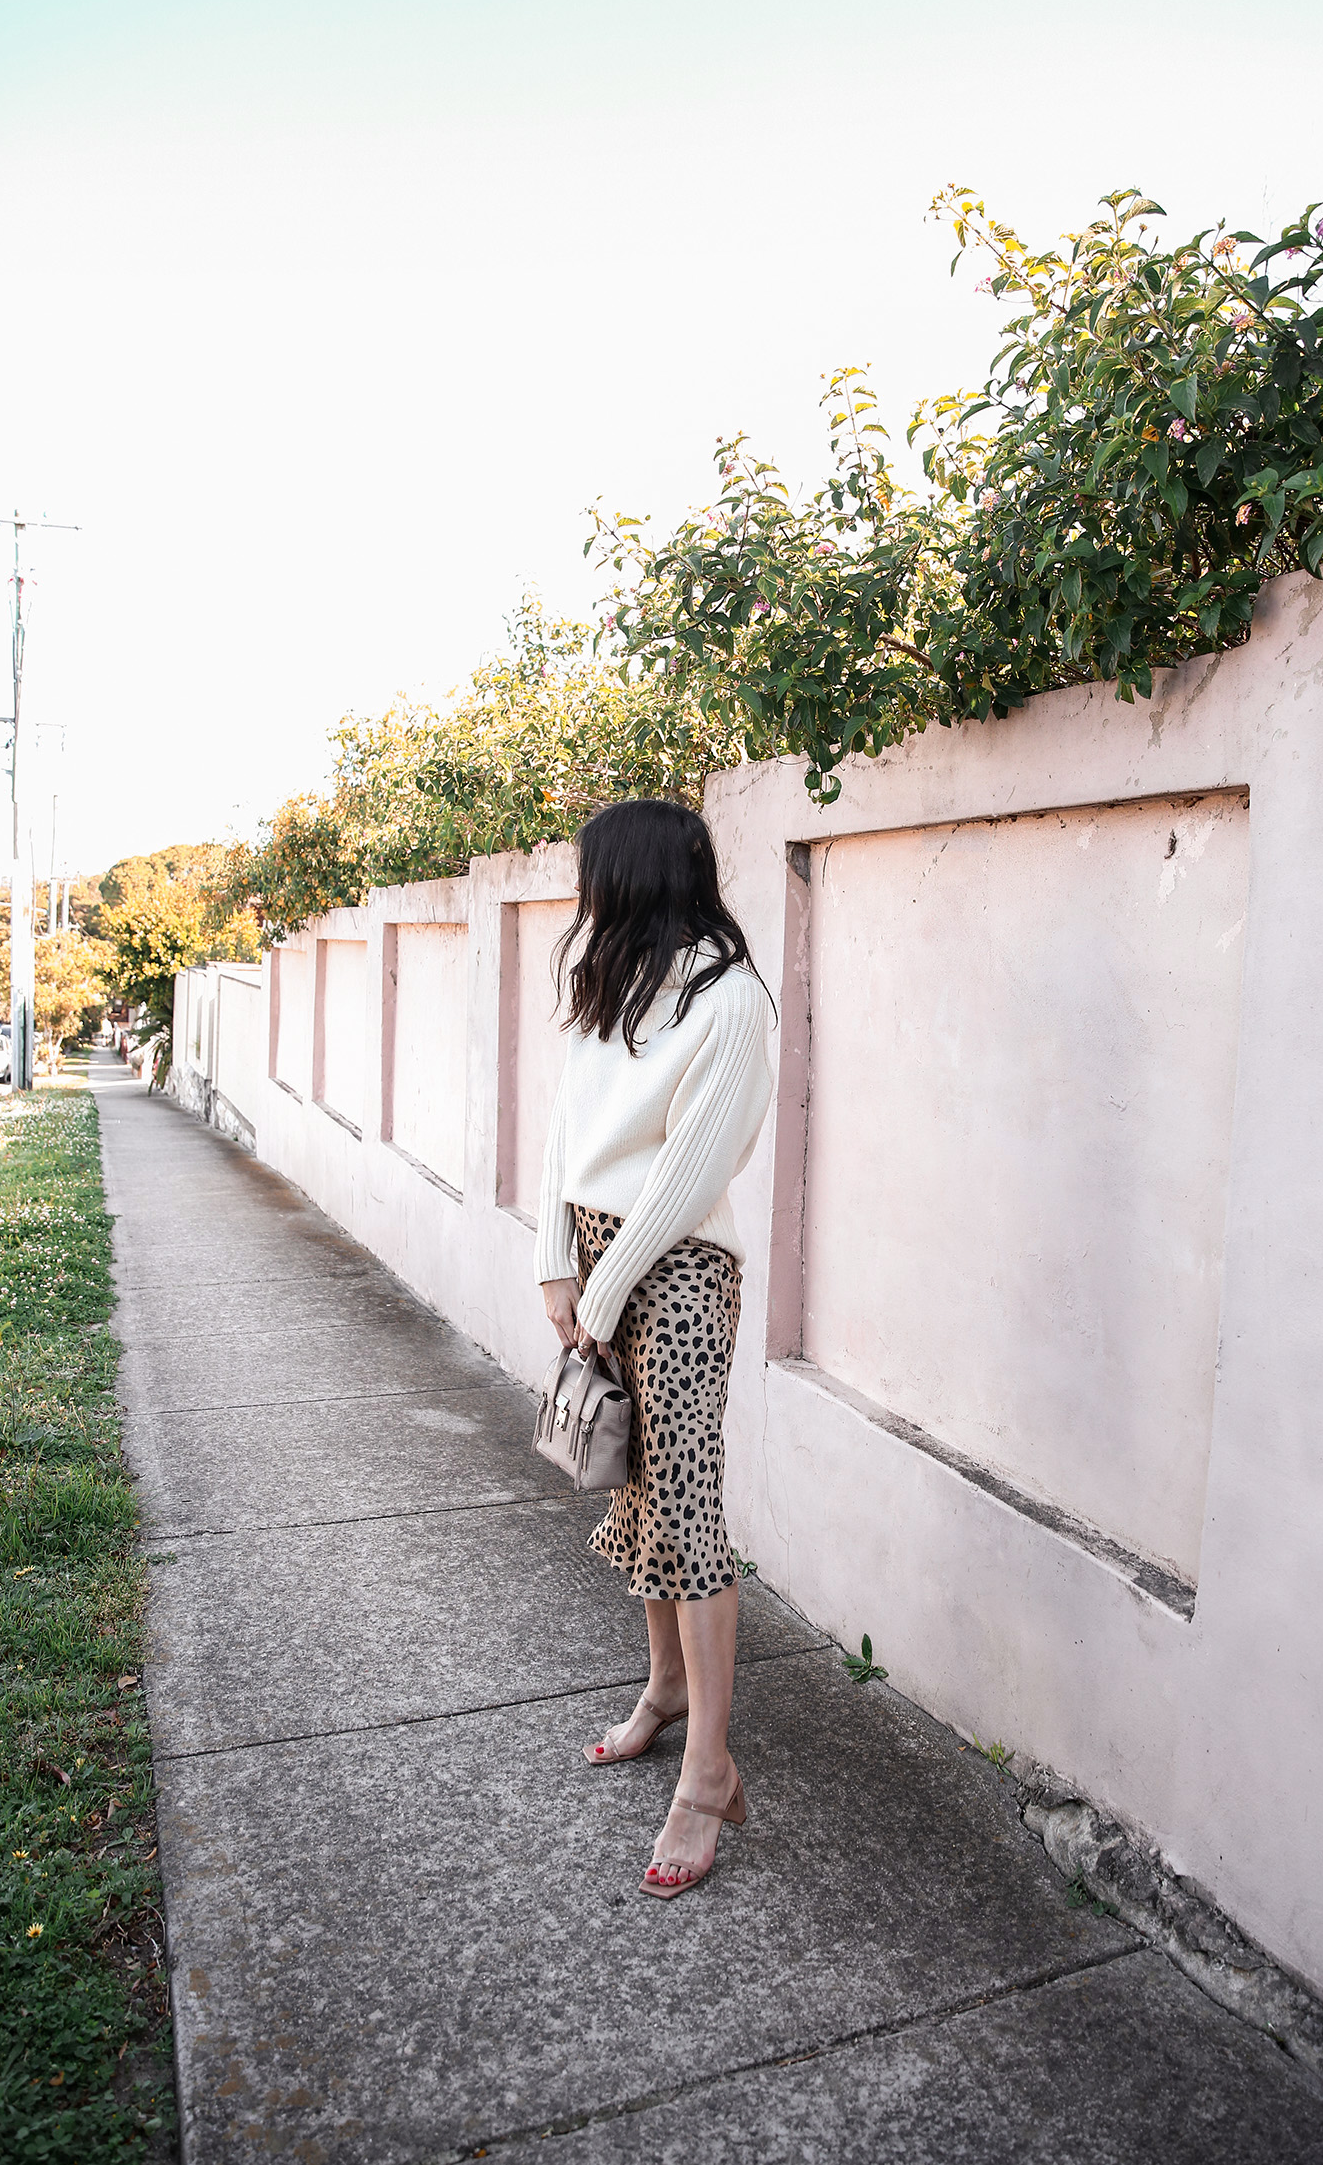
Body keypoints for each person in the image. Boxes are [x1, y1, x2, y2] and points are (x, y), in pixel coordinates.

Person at [536, 799, 774, 1900]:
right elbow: (566, 1132)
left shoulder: (731, 1001)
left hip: (674, 1271)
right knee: (629, 1487)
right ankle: (665, 1690)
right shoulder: (609, 981)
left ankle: (709, 1771)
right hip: (598, 1259)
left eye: (596, 872)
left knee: (684, 1507)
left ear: (635, 875)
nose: (586, 891)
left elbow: (690, 1168)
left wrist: (609, 1282)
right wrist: (557, 1260)